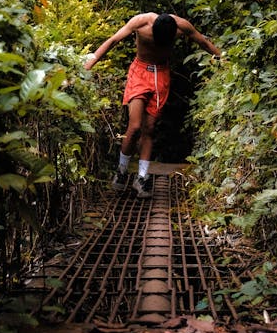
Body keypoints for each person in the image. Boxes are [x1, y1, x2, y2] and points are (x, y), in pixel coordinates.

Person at [84, 12, 221, 198]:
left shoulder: (182, 27)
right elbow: (113, 40)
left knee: (149, 128)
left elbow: (203, 42)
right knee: (134, 127)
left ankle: (141, 178)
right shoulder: (141, 23)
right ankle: (122, 171)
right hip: (140, 72)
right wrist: (88, 66)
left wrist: (223, 58)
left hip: (161, 76)